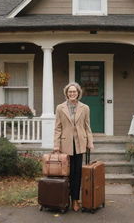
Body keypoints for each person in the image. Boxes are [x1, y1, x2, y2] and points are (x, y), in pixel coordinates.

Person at [53, 82, 94, 212]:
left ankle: (75, 200)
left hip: (80, 144)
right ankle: (65, 199)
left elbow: (87, 127)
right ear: (66, 93)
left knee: (77, 174)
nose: (72, 94)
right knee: (66, 174)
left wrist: (90, 142)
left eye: (74, 92)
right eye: (70, 92)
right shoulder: (60, 108)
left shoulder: (85, 108)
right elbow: (58, 128)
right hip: (65, 145)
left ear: (78, 93)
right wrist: (56, 145)